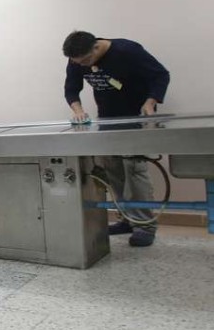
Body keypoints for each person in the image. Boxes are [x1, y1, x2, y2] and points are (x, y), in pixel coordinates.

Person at [63, 31, 170, 247]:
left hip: (136, 116)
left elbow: (161, 75)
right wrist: (78, 110)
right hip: (107, 119)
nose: (82, 65)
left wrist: (150, 103)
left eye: (86, 61)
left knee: (135, 171)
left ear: (95, 47)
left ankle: (145, 226)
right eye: (78, 62)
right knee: (113, 171)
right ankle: (126, 219)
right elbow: (71, 89)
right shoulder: (77, 59)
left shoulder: (127, 51)